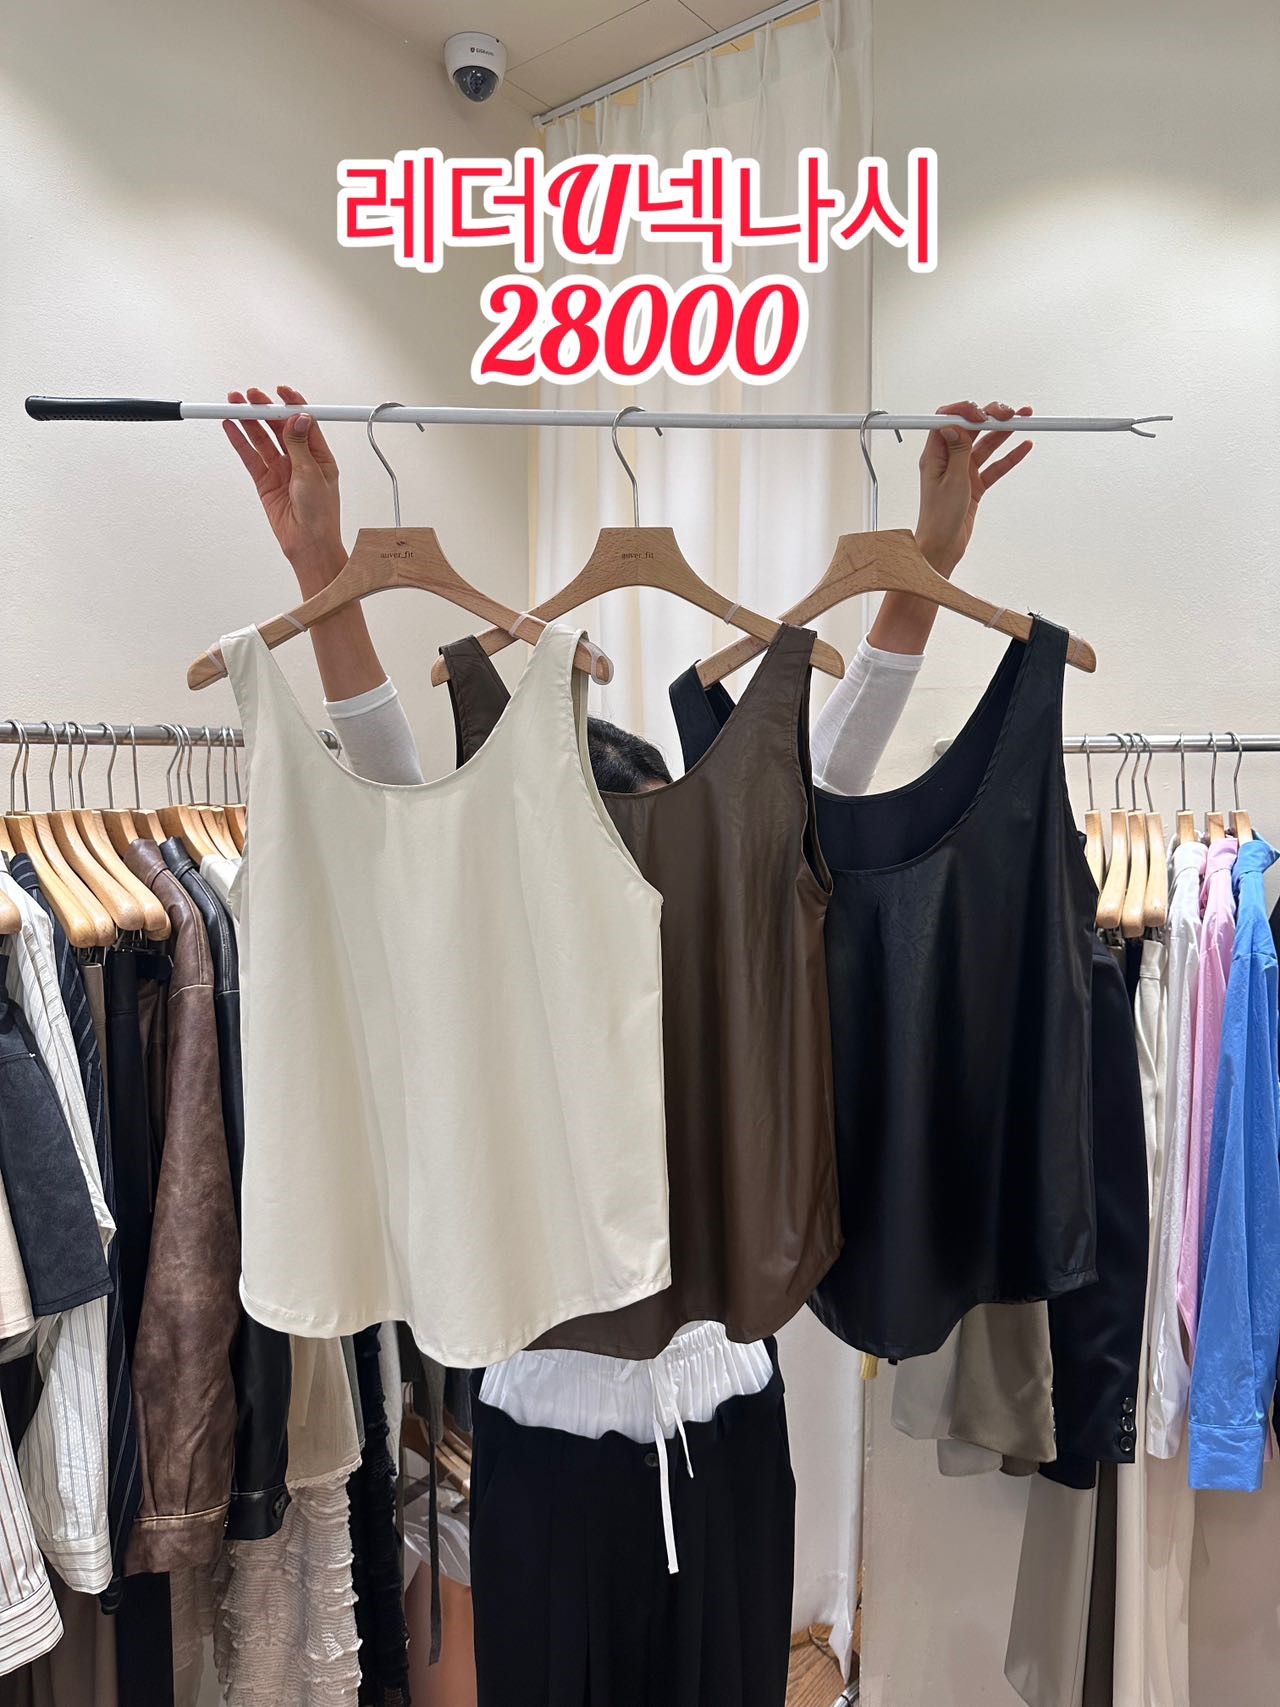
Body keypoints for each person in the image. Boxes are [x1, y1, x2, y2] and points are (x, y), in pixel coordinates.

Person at [223, 383, 1036, 1705]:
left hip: (722, 1422)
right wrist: (325, 576)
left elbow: (821, 768)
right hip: (546, 1432)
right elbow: (401, 802)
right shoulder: (491, 917)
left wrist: (920, 574)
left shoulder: (726, 905)